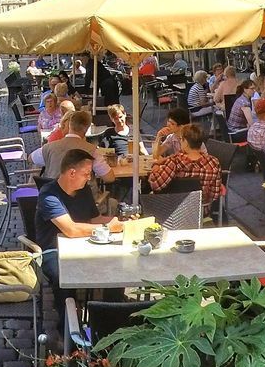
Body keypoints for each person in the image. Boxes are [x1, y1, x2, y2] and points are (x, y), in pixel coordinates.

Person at [35, 148, 124, 329]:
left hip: (85, 246)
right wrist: (107, 228)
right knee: (64, 275)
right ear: (72, 173)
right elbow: (71, 230)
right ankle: (67, 331)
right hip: (54, 250)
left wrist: (121, 223)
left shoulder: (83, 191)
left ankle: (107, 323)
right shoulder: (49, 194)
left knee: (116, 268)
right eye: (86, 174)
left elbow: (95, 219)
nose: (90, 178)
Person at [146, 124, 222, 213]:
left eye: (181, 139)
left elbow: (155, 185)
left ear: (185, 142)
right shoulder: (214, 162)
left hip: (173, 211)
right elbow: (214, 195)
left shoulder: (176, 162)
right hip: (200, 212)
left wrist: (155, 167)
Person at [33, 110, 117, 183]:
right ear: (87, 129)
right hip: (83, 200)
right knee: (112, 201)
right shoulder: (92, 151)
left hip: (55, 198)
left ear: (69, 125)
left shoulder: (49, 147)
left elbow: (31, 158)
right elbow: (109, 178)